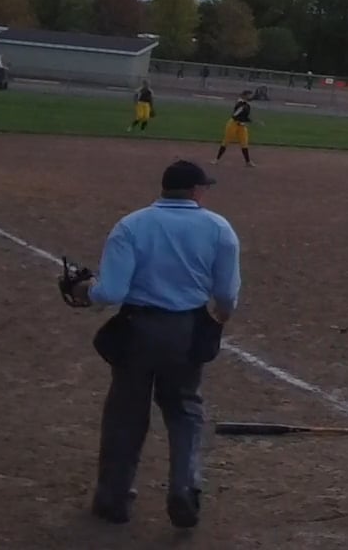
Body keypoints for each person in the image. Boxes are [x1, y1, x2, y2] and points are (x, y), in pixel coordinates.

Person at [76, 160, 240, 529]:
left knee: (125, 414)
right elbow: (226, 294)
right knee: (185, 411)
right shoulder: (218, 228)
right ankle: (184, 487)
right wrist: (221, 317)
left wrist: (86, 291)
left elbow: (111, 292)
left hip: (137, 329)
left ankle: (113, 499)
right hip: (186, 331)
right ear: (195, 191)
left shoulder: (131, 225)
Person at [214, 90, 255, 167]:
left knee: (244, 143)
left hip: (242, 126)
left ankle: (248, 162)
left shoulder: (247, 105)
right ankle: (216, 159)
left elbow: (245, 116)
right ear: (245, 95)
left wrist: (249, 121)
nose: (250, 97)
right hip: (233, 124)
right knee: (226, 141)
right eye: (249, 95)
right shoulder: (240, 104)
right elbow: (235, 115)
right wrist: (244, 120)